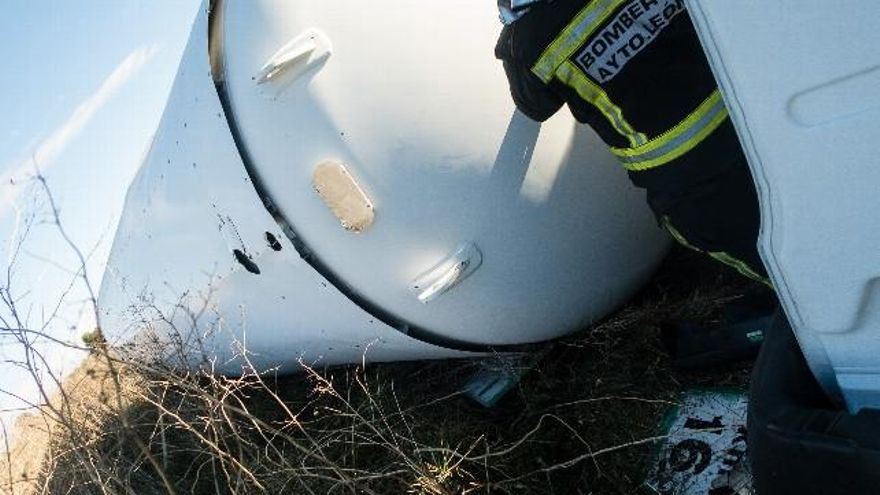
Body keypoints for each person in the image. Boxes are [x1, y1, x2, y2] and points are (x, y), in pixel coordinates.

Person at [494, 0, 768, 287]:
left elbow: (534, 106)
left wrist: (511, 28)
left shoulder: (526, 46)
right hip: (753, 116)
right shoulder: (527, 43)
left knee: (778, 264)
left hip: (694, 184)